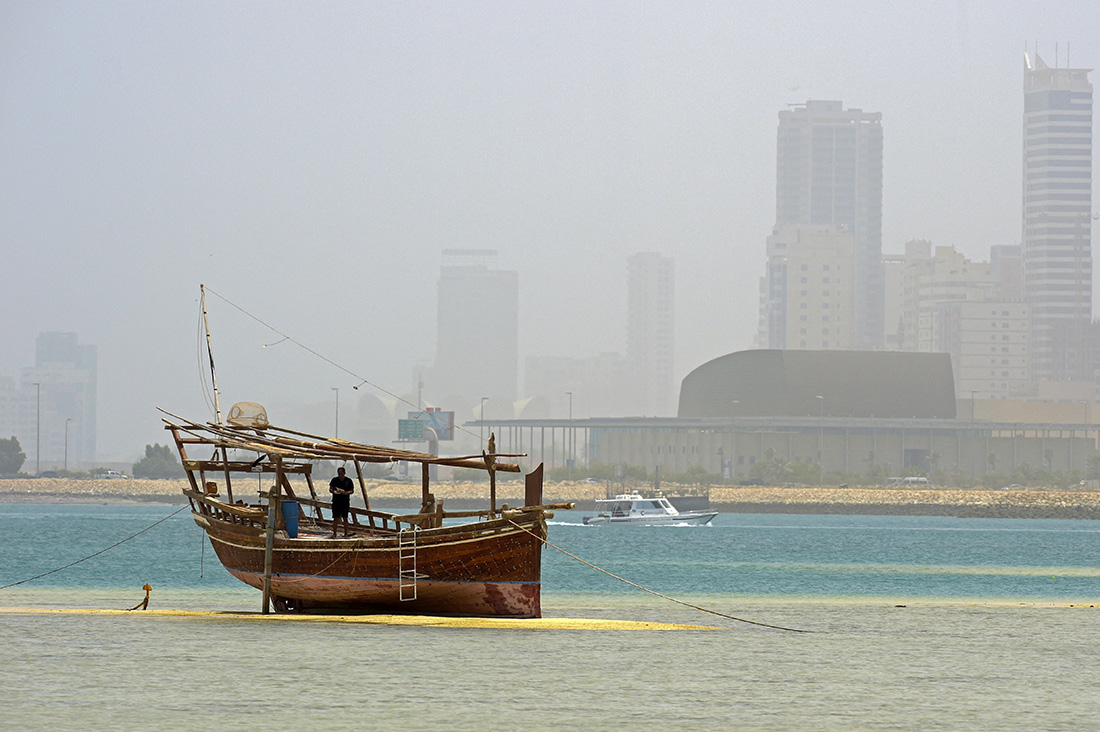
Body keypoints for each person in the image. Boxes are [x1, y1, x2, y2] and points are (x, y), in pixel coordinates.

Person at [329, 466, 355, 537]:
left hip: (345, 502)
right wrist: (334, 492)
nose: (340, 475)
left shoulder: (348, 481)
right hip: (336, 501)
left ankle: (346, 534)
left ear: (344, 473)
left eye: (341, 474)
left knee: (345, 518)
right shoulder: (334, 480)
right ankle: (334, 534)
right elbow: (330, 489)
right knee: (336, 518)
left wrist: (346, 492)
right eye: (339, 474)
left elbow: (352, 490)